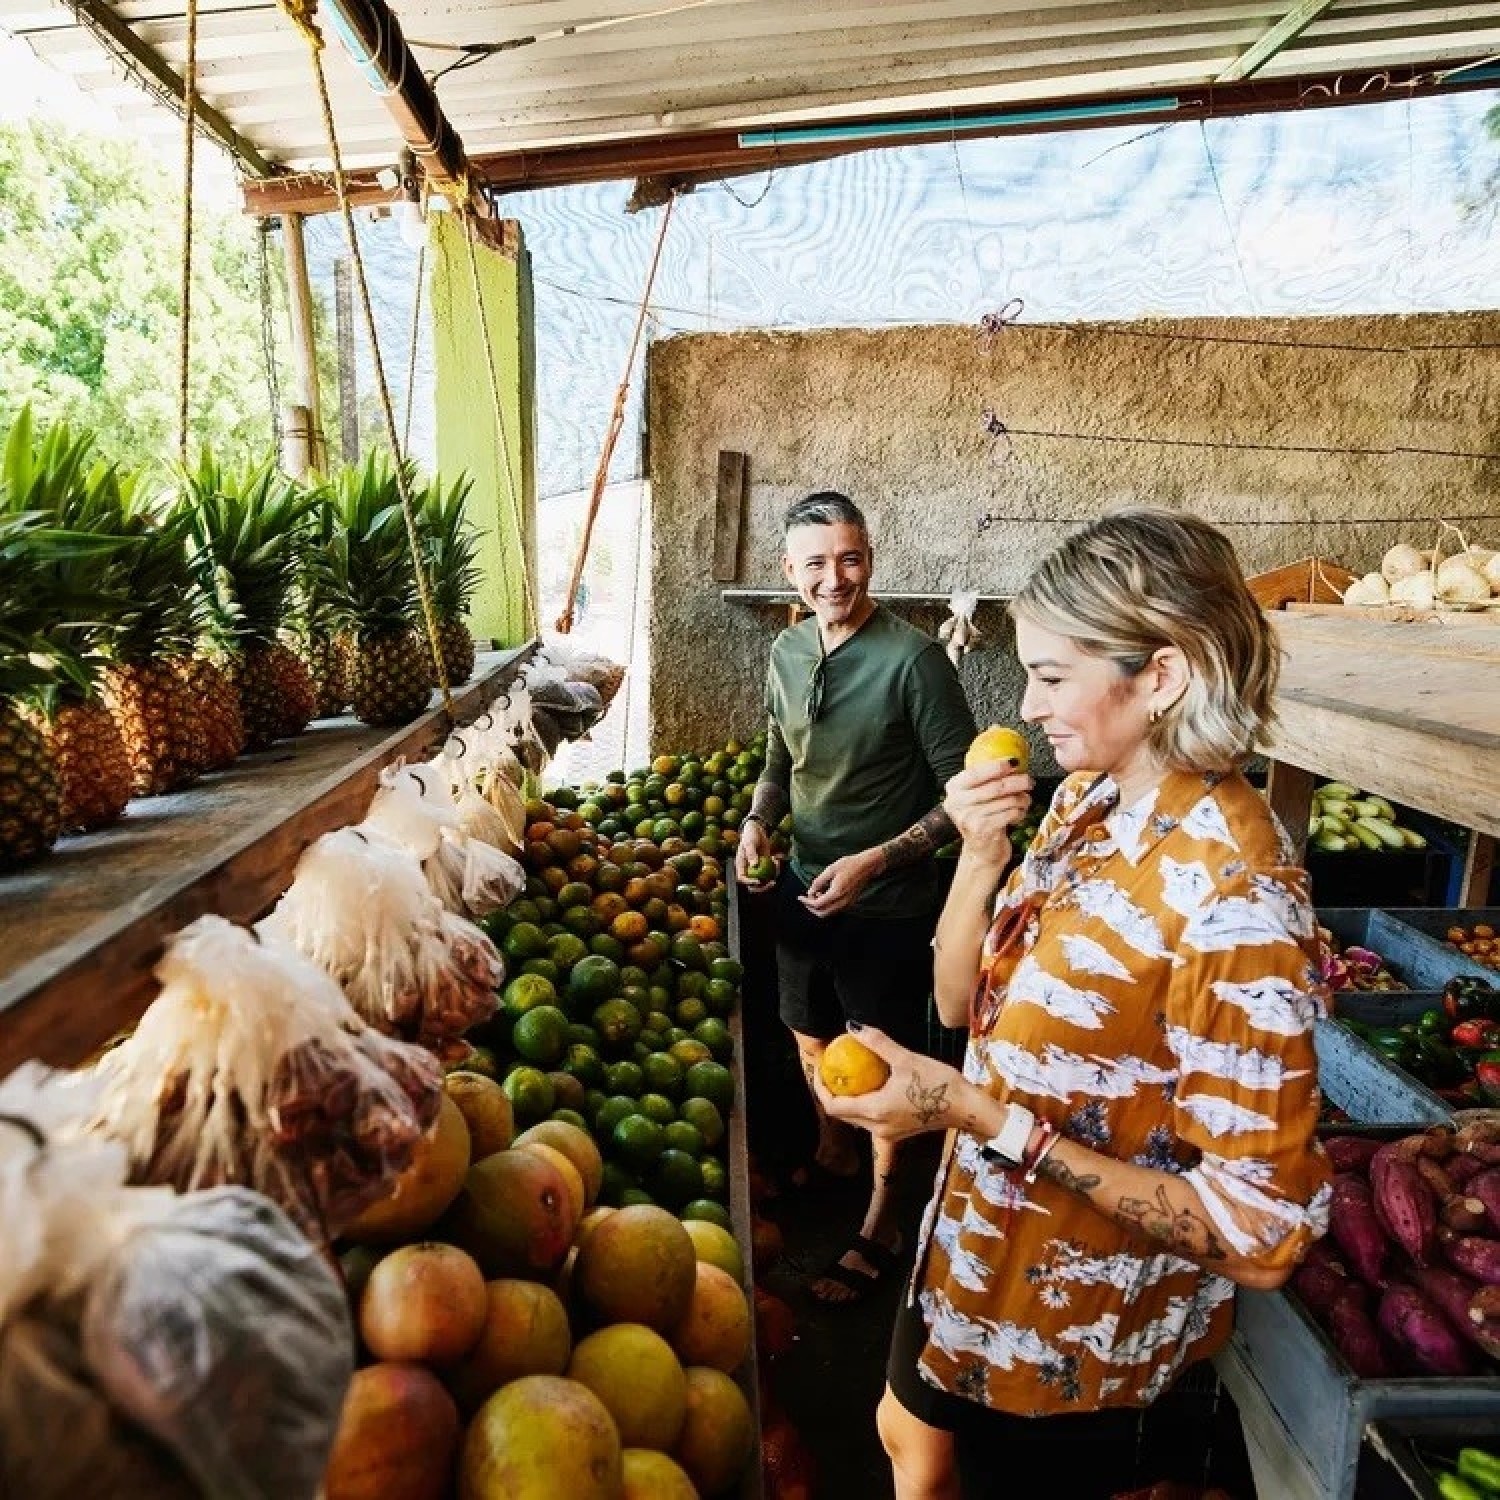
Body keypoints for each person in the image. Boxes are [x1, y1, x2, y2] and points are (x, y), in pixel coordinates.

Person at [815, 506, 1333, 1498]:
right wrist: (978, 856)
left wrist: (966, 1111)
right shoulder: (1086, 802)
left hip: (1077, 1352)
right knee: (906, 1439)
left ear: (1164, 676)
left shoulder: (1237, 901)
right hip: (969, 1254)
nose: (1025, 701)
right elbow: (963, 1006)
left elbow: (1260, 1240)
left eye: (1053, 675)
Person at [734, 490, 977, 1306]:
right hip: (803, 884)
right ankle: (835, 1153)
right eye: (815, 564)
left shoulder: (915, 662)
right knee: (806, 1032)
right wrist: (759, 824)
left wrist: (878, 860)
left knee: (881, 1063)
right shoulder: (787, 651)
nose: (834, 579)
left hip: (889, 905)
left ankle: (883, 1220)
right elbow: (779, 760)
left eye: (850, 558)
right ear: (789, 572)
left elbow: (963, 799)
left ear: (869, 555)